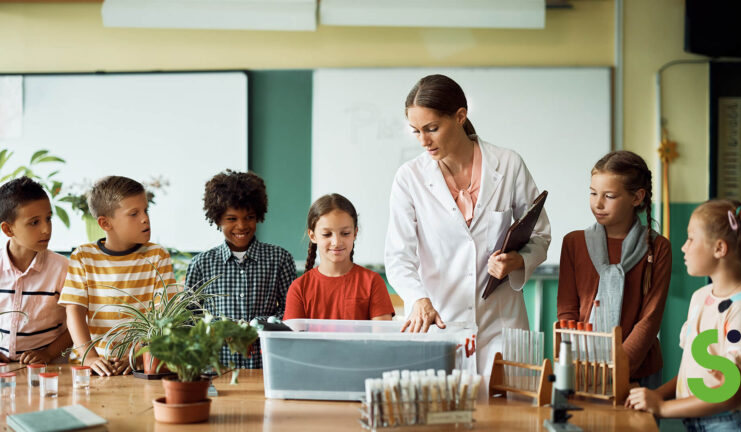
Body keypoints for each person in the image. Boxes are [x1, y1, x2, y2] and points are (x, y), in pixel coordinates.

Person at [384, 74, 550, 376]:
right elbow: (398, 257)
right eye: (416, 131)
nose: (423, 141)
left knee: (507, 418)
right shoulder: (410, 178)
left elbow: (539, 233)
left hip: (501, 323)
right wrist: (418, 299)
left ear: (460, 116)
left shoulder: (508, 164)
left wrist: (518, 260)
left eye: (432, 128)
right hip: (442, 323)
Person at [626, 200, 741, 431]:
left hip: (729, 423)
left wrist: (663, 408)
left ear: (719, 248)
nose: (683, 247)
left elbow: (731, 394)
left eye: (690, 238)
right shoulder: (701, 297)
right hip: (696, 421)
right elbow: (697, 373)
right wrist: (654, 396)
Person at [557, 150, 672, 389]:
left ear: (637, 197)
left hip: (638, 374)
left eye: (609, 196)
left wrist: (616, 370)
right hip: (583, 369)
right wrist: (574, 364)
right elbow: (567, 312)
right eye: (593, 193)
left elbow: (649, 321)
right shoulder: (574, 243)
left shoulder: (658, 248)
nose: (598, 203)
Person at [59, 176, 175, 376]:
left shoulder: (158, 256)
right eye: (133, 213)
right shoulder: (83, 257)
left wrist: (136, 356)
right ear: (105, 223)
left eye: (145, 210)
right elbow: (74, 312)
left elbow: (164, 317)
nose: (145, 218)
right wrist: (90, 357)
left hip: (142, 366)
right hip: (95, 368)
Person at [185, 170, 295, 369]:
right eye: (231, 219)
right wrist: (221, 329)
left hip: (266, 364)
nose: (242, 226)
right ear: (217, 219)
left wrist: (256, 326)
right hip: (216, 368)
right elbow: (190, 318)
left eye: (249, 217)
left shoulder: (279, 259)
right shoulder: (201, 264)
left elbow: (289, 312)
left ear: (258, 215)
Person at [0, 177, 72, 364]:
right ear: (8, 229)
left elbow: (78, 323)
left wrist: (48, 354)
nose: (46, 229)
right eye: (34, 222)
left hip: (51, 371)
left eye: (48, 219)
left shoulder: (63, 269)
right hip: (0, 372)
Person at [284, 193, 394, 320]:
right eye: (326, 234)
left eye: (345, 233)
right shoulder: (299, 288)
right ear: (313, 236)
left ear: (355, 233)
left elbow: (381, 338)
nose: (336, 242)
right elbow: (293, 339)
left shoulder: (373, 282)